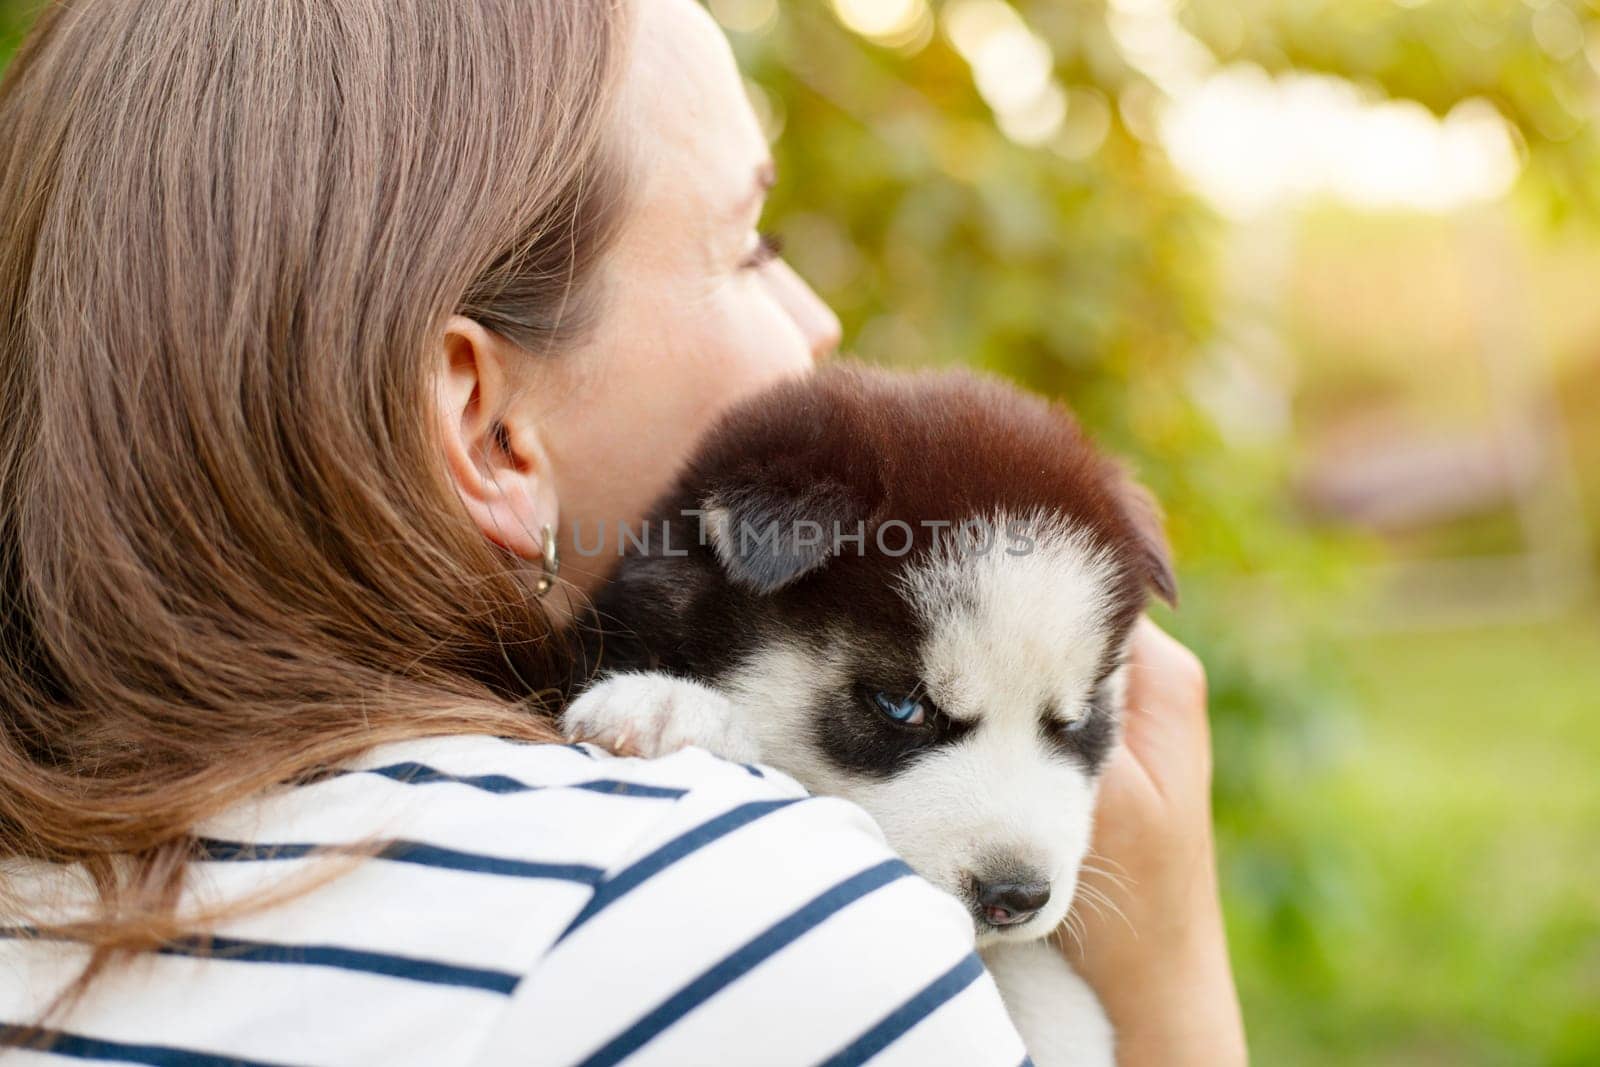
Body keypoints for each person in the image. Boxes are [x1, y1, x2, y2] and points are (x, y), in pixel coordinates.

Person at [0, 0, 1246, 1064]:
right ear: (490, 426)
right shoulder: (735, 920)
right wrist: (1175, 972)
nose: (818, 319)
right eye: (749, 243)